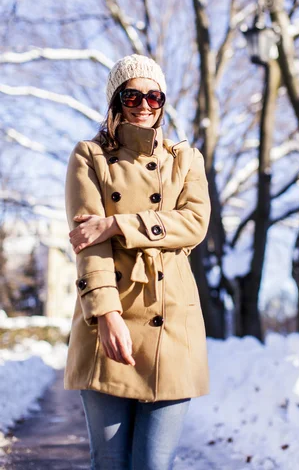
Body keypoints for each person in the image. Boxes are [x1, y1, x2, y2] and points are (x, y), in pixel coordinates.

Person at [64, 54, 211, 470]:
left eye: (154, 95)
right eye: (132, 95)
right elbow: (86, 244)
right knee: (109, 462)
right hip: (106, 318)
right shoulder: (88, 156)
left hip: (172, 323)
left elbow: (195, 224)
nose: (144, 104)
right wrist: (107, 316)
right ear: (115, 101)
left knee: (153, 464)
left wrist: (117, 226)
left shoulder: (186, 159)